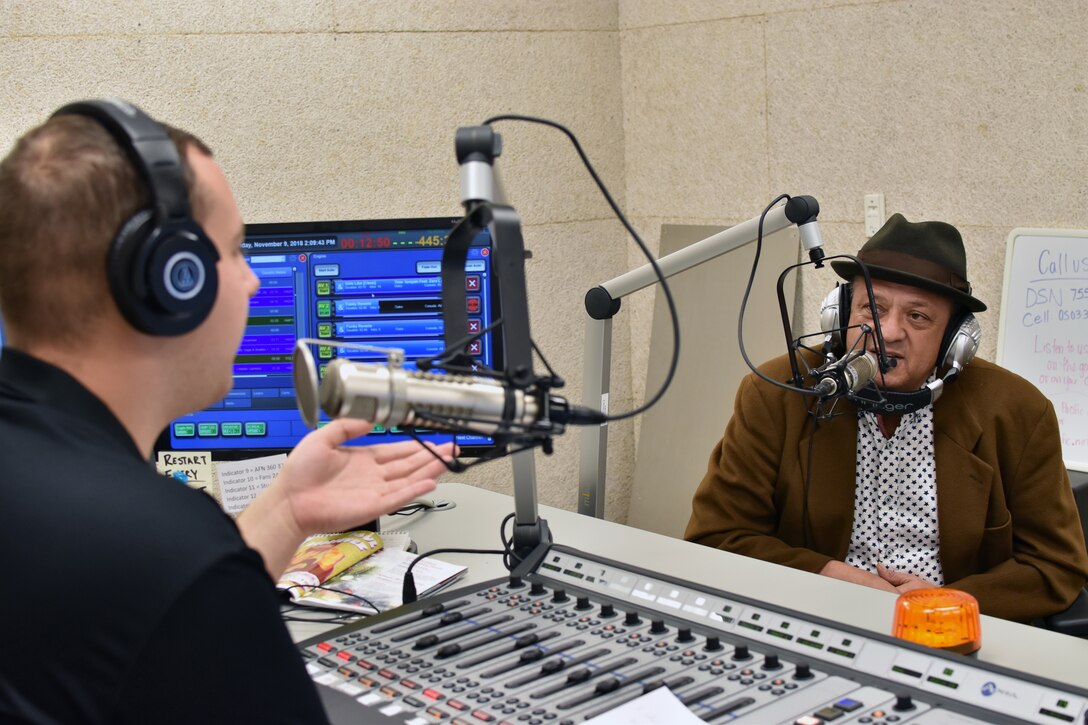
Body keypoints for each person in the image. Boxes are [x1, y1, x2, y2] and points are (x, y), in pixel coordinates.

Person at [0, 101, 455, 722]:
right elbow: (174, 587)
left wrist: (287, 509)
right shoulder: (164, 552)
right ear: (169, 282)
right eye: (235, 252)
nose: (252, 284)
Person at [685, 213, 1088, 623]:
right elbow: (716, 536)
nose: (887, 331)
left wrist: (953, 601)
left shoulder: (1018, 411)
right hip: (813, 619)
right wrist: (824, 575)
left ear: (955, 340)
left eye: (917, 316)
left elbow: (1056, 567)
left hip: (950, 632)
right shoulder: (778, 392)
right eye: (871, 308)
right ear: (838, 315)